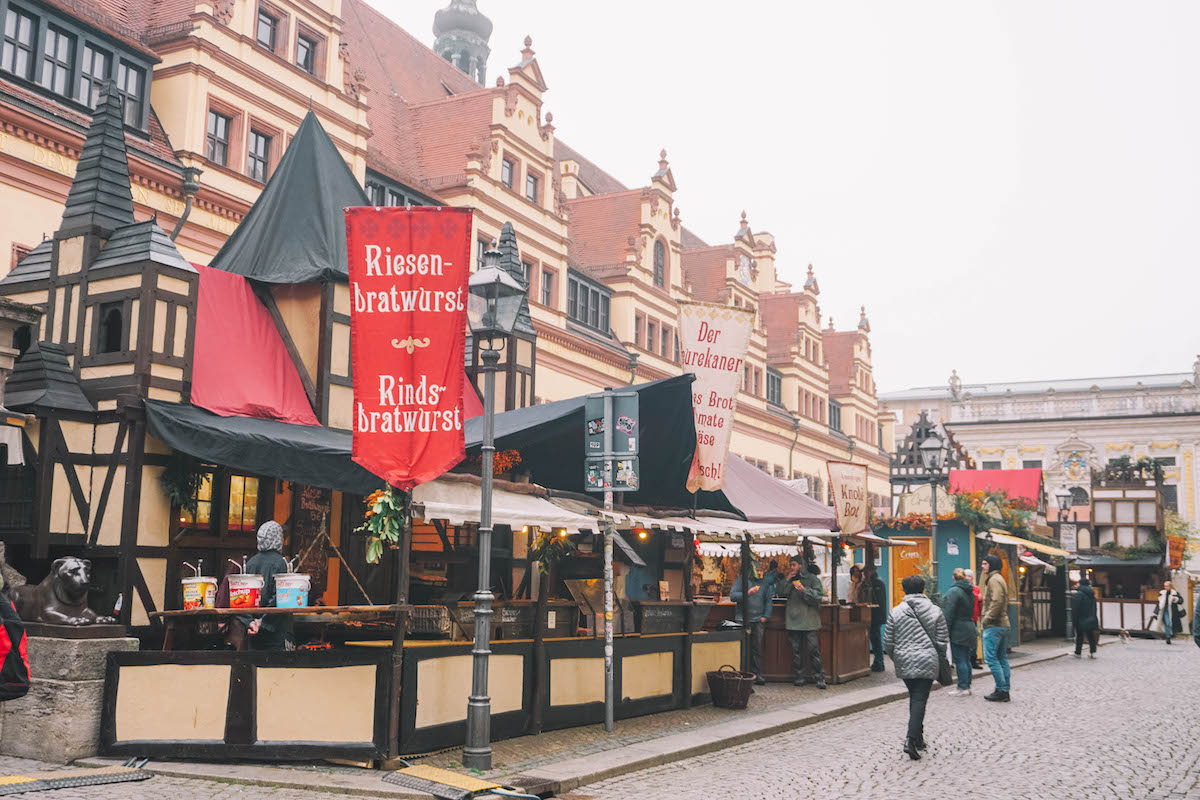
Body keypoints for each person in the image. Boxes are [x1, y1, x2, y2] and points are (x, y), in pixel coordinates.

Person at [885, 573, 948, 761]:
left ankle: (919, 738)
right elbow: (942, 640)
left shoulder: (895, 611)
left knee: (915, 698)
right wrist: (940, 657)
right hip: (928, 659)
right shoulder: (935, 611)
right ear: (923, 589)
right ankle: (911, 740)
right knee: (919, 699)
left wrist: (896, 657)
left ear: (904, 590)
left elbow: (888, 642)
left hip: (904, 660)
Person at [240, 520, 292, 651]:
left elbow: (242, 598)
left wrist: (251, 623)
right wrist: (263, 622)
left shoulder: (250, 563)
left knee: (255, 668)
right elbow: (281, 597)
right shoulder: (281, 563)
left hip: (253, 632)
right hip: (276, 632)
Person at [730, 558, 775, 685]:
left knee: (757, 649)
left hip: (758, 621)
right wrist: (747, 593)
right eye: (758, 570)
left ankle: (757, 674)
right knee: (742, 648)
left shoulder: (765, 585)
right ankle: (741, 673)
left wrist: (765, 616)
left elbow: (768, 602)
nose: (760, 573)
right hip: (742, 620)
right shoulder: (741, 581)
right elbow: (732, 596)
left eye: (761, 570)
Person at [784, 556, 826, 689]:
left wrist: (804, 590)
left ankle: (819, 677)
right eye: (791, 565)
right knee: (796, 651)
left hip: (810, 620)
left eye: (794, 565)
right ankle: (799, 676)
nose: (792, 567)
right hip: (793, 619)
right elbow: (780, 592)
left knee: (813, 650)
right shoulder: (791, 579)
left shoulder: (813, 579)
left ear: (801, 565)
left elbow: (819, 596)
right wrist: (787, 579)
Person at [979, 554, 1011, 702]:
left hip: (995, 625)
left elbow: (997, 601)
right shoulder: (998, 579)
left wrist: (986, 619)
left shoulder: (993, 580)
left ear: (991, 565)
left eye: (985, 564)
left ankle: (1001, 690)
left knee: (991, 659)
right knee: (1001, 658)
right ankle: (1004, 689)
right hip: (1003, 624)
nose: (983, 566)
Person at [941, 567, 977, 696]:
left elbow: (948, 613)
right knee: (966, 658)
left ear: (953, 578)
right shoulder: (970, 591)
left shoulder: (954, 591)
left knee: (960, 659)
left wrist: (945, 630)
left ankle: (962, 687)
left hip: (958, 629)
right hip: (969, 626)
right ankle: (967, 685)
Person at [864, 564, 887, 672]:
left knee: (876, 640)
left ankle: (879, 663)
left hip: (875, 616)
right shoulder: (876, 581)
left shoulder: (876, 582)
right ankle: (879, 662)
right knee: (875, 639)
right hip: (876, 616)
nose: (865, 573)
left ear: (872, 571)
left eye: (866, 571)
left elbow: (878, 602)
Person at [1149, 579, 1186, 645]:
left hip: (1172, 612)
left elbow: (1181, 600)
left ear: (1170, 586)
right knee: (1167, 623)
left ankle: (1168, 636)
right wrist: (1155, 612)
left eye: (1167, 586)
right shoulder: (1162, 593)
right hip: (1163, 611)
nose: (1166, 587)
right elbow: (1159, 603)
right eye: (1165, 586)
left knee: (1169, 623)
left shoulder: (1175, 593)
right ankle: (1168, 637)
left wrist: (1175, 599)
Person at [1071, 577, 1099, 658]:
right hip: (1091, 617)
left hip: (1081, 618)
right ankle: (1092, 652)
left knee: (1079, 636)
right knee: (1091, 636)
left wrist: (1074, 619)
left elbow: (1076, 608)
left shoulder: (1079, 594)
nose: (1076, 585)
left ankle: (1078, 652)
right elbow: (1094, 607)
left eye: (1077, 583)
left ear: (1081, 584)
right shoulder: (1092, 594)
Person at [965, 567, 983, 669]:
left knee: (974, 641)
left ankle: (973, 660)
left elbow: (979, 603)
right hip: (966, 617)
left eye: (969, 576)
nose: (968, 578)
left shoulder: (976, 588)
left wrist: (980, 600)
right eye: (966, 576)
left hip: (974, 617)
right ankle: (967, 660)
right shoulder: (963, 588)